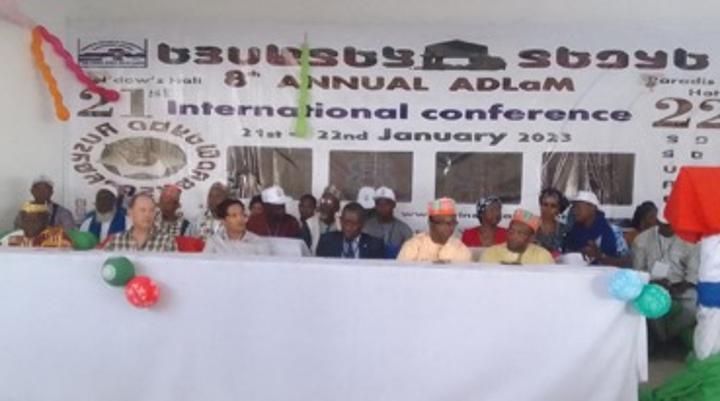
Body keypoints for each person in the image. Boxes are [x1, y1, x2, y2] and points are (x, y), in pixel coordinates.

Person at [633, 219, 699, 343]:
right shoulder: (642, 240)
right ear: (658, 222)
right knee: (649, 303)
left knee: (693, 306)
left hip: (680, 286)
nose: (671, 228)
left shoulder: (688, 239)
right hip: (652, 286)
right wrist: (653, 282)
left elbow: (693, 271)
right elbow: (638, 272)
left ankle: (667, 336)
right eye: (666, 225)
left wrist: (683, 285)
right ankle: (662, 338)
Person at [563, 190, 630, 267]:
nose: (574, 212)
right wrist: (577, 254)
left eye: (578, 208)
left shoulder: (613, 231)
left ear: (592, 208)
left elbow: (626, 262)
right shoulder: (573, 230)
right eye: (573, 208)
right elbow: (567, 255)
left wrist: (600, 256)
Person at [397, 198, 472, 263]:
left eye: (452, 223)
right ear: (431, 224)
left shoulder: (461, 249)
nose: (450, 227)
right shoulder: (413, 247)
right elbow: (401, 273)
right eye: (444, 223)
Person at [104, 193, 176, 252]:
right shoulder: (116, 240)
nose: (147, 215)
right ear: (130, 213)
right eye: (142, 210)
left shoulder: (166, 241)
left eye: (152, 210)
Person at [480, 209, 555, 265]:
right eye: (511, 231)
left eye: (521, 233)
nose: (514, 236)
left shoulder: (542, 256)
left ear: (531, 238)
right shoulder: (491, 253)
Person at [316, 202, 385, 259]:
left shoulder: (375, 245)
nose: (348, 228)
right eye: (346, 222)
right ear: (341, 221)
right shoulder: (327, 241)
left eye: (354, 223)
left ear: (362, 224)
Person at [204, 199, 271, 255]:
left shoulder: (258, 243)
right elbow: (205, 264)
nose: (240, 219)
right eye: (234, 215)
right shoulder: (214, 242)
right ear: (223, 221)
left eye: (242, 214)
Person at [362, 186, 414, 259]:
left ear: (394, 205)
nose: (382, 207)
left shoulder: (404, 230)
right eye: (379, 204)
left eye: (386, 204)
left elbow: (409, 256)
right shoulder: (366, 228)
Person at [1, 202, 72, 248]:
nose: (30, 224)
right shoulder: (10, 238)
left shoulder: (58, 237)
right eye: (26, 221)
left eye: (34, 221)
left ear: (45, 222)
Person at [534, 188, 570, 255]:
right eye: (545, 204)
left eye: (553, 206)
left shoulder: (563, 229)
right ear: (540, 206)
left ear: (558, 209)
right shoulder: (531, 225)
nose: (548, 209)